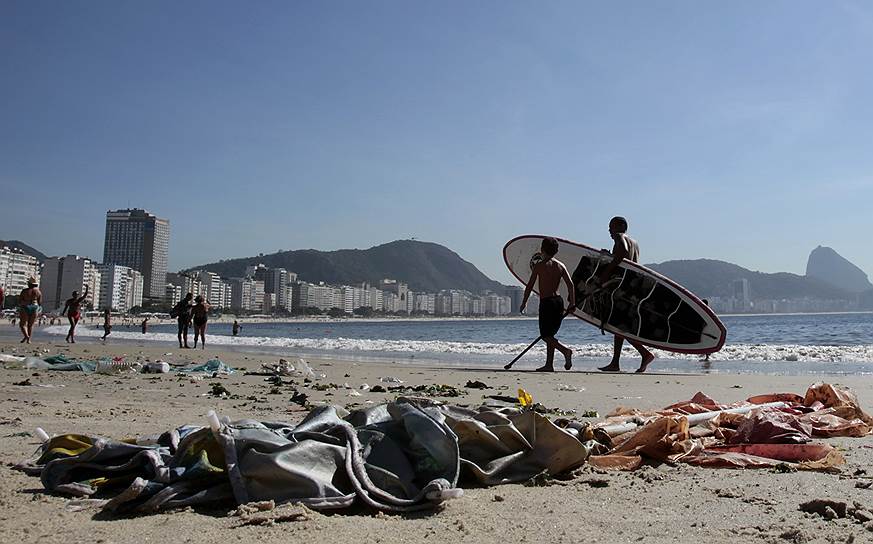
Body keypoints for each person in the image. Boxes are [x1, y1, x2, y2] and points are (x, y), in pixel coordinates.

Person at [597, 216, 655, 373]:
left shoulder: (620, 237)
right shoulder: (635, 242)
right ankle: (615, 363)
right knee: (620, 326)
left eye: (612, 226)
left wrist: (607, 271)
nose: (610, 230)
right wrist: (610, 255)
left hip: (622, 287)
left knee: (619, 326)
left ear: (621, 226)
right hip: (633, 287)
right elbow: (626, 259)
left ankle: (645, 354)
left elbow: (622, 252)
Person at [520, 237, 575, 372]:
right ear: (556, 251)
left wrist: (524, 302)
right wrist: (572, 303)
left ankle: (565, 351)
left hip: (547, 303)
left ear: (542, 250)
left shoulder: (539, 266)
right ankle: (549, 364)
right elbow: (570, 285)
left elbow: (529, 286)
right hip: (558, 302)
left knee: (545, 336)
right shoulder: (561, 266)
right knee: (550, 334)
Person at [18, 276, 42, 343]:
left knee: (22, 324)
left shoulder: (24, 291)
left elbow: (20, 301)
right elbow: (40, 302)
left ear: (29, 284)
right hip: (35, 307)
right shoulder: (38, 292)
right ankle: (28, 339)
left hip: (25, 306)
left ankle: (26, 336)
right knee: (30, 325)